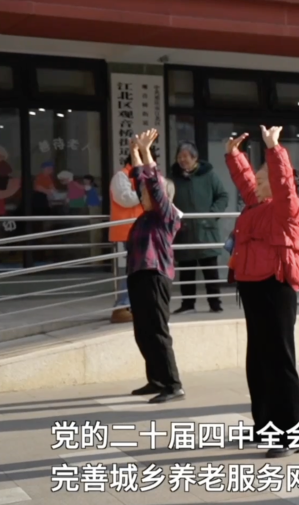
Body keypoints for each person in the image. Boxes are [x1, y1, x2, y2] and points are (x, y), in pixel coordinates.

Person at [225, 126, 299, 459]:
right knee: (258, 359)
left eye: (263, 180)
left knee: (279, 360)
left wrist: (274, 149)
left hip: (275, 285)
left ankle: (292, 433)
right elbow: (247, 181)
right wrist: (234, 155)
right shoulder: (257, 203)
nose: (257, 183)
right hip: (251, 284)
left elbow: (283, 181)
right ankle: (265, 426)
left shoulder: (286, 208)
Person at [125, 129, 185, 404]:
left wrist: (147, 152)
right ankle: (156, 380)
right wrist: (134, 151)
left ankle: (173, 384)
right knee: (143, 331)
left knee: (158, 331)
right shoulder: (145, 216)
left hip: (155, 275)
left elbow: (153, 183)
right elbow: (140, 178)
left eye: (147, 193)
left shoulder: (167, 215)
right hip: (138, 274)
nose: (142, 194)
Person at [171, 141, 229, 314]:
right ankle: (188, 304)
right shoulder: (173, 177)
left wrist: (212, 215)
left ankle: (215, 303)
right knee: (186, 270)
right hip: (184, 231)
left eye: (185, 157)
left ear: (194, 158)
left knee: (210, 269)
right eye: (179, 157)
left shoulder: (208, 175)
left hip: (206, 230)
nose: (182, 160)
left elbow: (222, 196)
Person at [109, 155, 145, 323]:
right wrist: (146, 192)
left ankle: (130, 305)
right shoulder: (121, 176)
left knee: (140, 269)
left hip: (143, 229)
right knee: (134, 268)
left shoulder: (144, 176)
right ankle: (122, 305)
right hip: (129, 231)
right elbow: (126, 199)